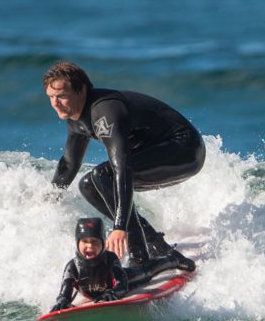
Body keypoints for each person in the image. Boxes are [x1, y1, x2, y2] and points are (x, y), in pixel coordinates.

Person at [44, 61, 205, 269]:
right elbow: (69, 164)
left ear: (82, 90)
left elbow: (122, 166)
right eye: (51, 97)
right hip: (158, 151)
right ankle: (157, 246)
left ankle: (141, 256)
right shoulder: (75, 118)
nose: (55, 103)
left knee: (102, 175)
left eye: (62, 96)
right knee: (88, 185)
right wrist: (50, 198)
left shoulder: (104, 111)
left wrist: (119, 227)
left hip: (184, 148)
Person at [50, 217, 128, 312]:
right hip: (92, 294)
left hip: (126, 278)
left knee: (146, 272)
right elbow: (64, 293)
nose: (90, 245)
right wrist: (62, 301)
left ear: (103, 243)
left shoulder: (110, 259)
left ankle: (151, 265)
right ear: (77, 243)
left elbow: (122, 284)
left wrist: (113, 292)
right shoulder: (73, 266)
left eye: (95, 241)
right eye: (84, 241)